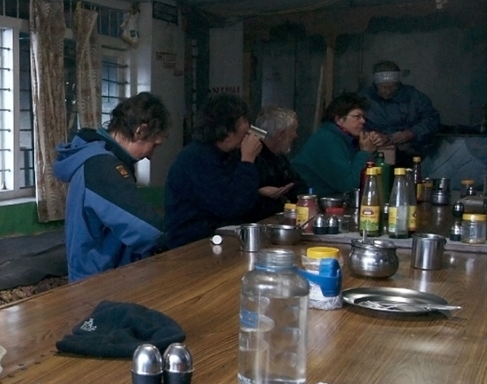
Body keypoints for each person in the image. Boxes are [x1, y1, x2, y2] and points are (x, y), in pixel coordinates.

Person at [53, 92, 170, 282]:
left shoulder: (95, 157)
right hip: (100, 283)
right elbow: (147, 230)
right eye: (154, 145)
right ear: (140, 131)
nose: (151, 156)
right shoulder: (102, 166)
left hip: (98, 276)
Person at [163, 94, 264, 249]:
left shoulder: (228, 155)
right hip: (190, 246)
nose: (248, 128)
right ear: (227, 129)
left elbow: (239, 195)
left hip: (217, 241)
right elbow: (230, 206)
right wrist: (247, 161)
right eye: (244, 121)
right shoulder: (196, 158)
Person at [292, 92, 385, 196]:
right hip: (308, 201)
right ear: (339, 119)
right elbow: (348, 185)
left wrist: (371, 148)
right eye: (357, 116)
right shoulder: (326, 140)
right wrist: (364, 152)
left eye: (363, 117)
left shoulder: (348, 139)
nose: (363, 121)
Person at [360, 60, 440, 165]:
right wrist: (372, 135)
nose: (388, 91)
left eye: (392, 87)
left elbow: (432, 119)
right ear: (376, 84)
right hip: (374, 155)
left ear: (398, 84)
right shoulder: (363, 98)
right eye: (383, 87)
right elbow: (352, 125)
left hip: (411, 153)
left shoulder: (413, 96)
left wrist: (413, 132)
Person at [246, 105, 308, 221]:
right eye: (293, 130)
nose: (296, 135)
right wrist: (260, 193)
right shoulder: (252, 157)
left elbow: (299, 186)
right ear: (281, 134)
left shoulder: (279, 157)